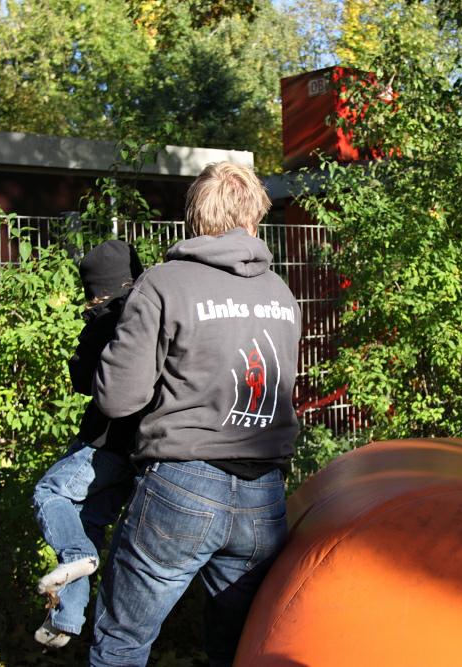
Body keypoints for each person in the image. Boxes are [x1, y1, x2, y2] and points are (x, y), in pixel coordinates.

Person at [89, 162, 301, 667]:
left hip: (183, 485)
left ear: (196, 215)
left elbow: (118, 399)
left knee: (121, 641)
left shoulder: (164, 284)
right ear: (254, 217)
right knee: (240, 649)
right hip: (264, 494)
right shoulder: (280, 292)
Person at [32, 239, 145, 649]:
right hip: (140, 453)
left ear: (98, 289)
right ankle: (65, 618)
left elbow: (82, 378)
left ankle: (77, 561)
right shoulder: (154, 308)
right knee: (89, 520)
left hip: (105, 446)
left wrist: (95, 319)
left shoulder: (110, 317)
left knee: (51, 493)